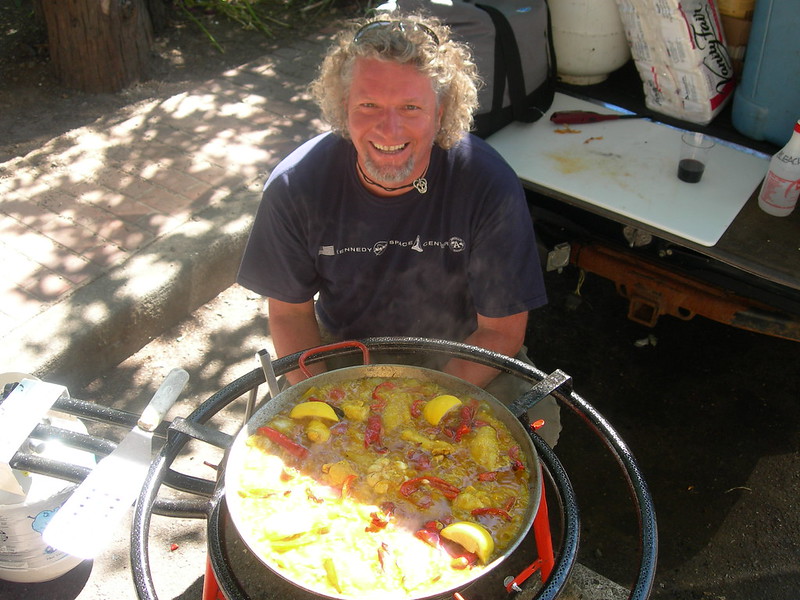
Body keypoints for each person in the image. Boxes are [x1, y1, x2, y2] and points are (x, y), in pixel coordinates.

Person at [237, 13, 561, 446]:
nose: (389, 130)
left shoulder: (486, 182)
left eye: (411, 107)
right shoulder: (297, 184)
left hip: (468, 350)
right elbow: (291, 314)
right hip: (344, 352)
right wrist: (325, 398)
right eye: (369, 105)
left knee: (537, 427)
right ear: (343, 107)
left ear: (441, 111)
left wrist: (414, 409)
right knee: (279, 451)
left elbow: (501, 332)